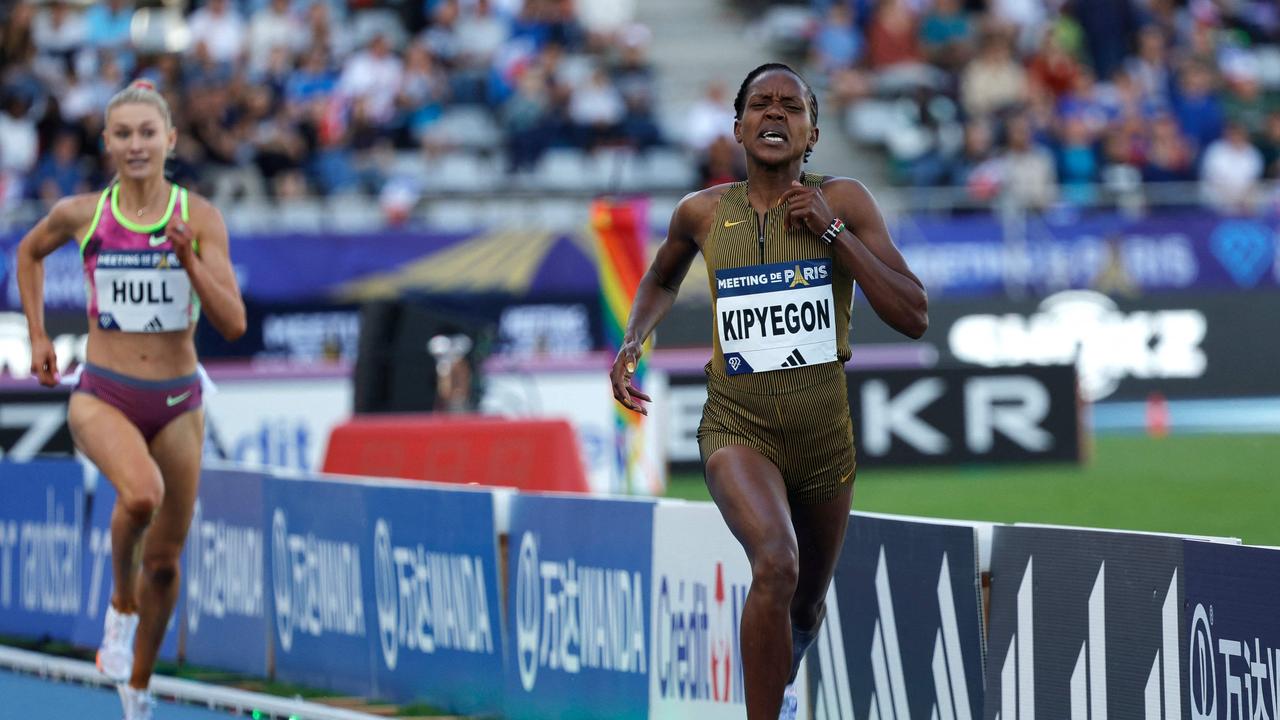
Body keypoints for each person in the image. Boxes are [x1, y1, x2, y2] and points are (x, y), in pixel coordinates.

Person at [609, 63, 928, 719]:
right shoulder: (700, 213)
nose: (775, 114)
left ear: (812, 133)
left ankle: (778, 691)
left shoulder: (844, 202)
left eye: (791, 106)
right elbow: (663, 277)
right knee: (776, 564)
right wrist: (634, 338)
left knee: (806, 600)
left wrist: (835, 236)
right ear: (738, 127)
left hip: (823, 435)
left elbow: (913, 314)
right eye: (761, 104)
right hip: (737, 426)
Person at [16, 80, 246, 720]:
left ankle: (137, 693)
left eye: (148, 133)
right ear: (108, 143)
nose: (136, 144)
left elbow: (232, 323)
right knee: (141, 494)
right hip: (103, 394)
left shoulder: (199, 218)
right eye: (124, 134)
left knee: (167, 566)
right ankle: (118, 608)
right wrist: (38, 334)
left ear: (170, 140)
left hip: (178, 401)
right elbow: (28, 253)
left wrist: (190, 263)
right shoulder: (83, 213)